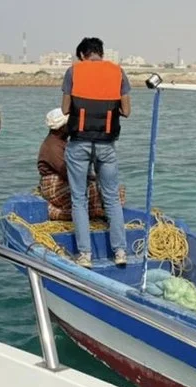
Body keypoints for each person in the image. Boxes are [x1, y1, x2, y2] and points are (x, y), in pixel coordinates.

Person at [61, 37, 131, 268]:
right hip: (106, 144)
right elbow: (127, 111)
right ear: (101, 53)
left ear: (82, 55)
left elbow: (64, 109)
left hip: (79, 142)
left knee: (79, 199)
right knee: (111, 198)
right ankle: (120, 251)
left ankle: (85, 255)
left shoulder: (74, 71)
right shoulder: (118, 72)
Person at [37, 108, 126, 221]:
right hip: (56, 184)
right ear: (62, 127)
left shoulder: (61, 142)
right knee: (93, 192)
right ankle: (53, 212)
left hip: (67, 180)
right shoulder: (53, 146)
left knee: (114, 190)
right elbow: (68, 172)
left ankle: (95, 212)